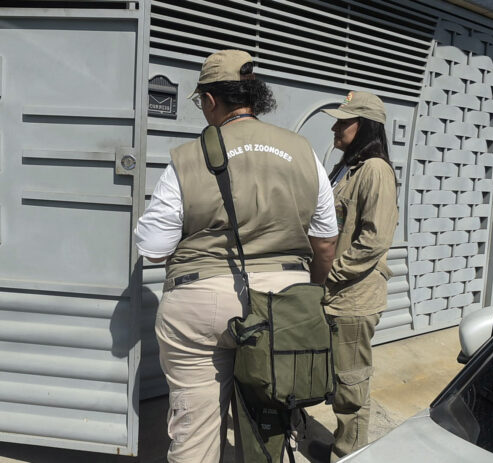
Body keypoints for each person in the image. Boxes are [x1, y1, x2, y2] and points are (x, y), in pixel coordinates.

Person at [134, 49, 339, 462]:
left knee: (194, 435)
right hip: (283, 302)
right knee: (271, 427)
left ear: (211, 100)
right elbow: (325, 242)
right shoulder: (303, 152)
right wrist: (307, 295)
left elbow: (153, 250)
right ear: (254, 95)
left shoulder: (188, 158)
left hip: (200, 302)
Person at [321, 90, 399, 462]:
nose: (335, 128)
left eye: (344, 121)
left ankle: (347, 455)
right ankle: (343, 446)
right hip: (335, 295)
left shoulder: (376, 171)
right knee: (338, 380)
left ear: (365, 126)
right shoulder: (348, 167)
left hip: (353, 297)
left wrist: (331, 274)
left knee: (351, 386)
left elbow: (375, 239)